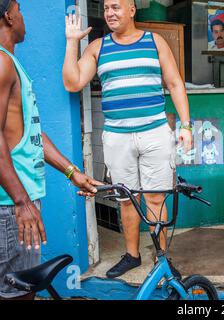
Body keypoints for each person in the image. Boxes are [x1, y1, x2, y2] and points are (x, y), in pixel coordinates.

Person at [63, 0, 193, 279]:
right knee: (126, 199)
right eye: (106, 8)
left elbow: (174, 83)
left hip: (155, 132)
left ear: (132, 10)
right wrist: (72, 42)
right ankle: (132, 255)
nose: (109, 13)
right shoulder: (97, 47)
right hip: (117, 137)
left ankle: (161, 261)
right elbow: (73, 82)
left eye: (116, 7)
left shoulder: (154, 41)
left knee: (156, 198)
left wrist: (186, 125)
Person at [0, 0, 101, 300]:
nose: (22, 17)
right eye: (19, 9)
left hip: (20, 203)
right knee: (15, 293)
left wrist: (73, 173)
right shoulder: (2, 63)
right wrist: (21, 202)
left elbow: (32, 134)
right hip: (11, 207)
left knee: (23, 291)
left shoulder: (11, 62)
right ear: (7, 16)